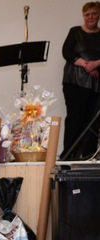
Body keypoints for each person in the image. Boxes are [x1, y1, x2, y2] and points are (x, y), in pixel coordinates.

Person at [62, 2, 100, 156]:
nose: (90, 17)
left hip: (96, 84)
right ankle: (69, 154)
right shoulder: (75, 31)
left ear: (98, 15)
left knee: (92, 120)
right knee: (74, 118)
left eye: (94, 14)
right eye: (87, 14)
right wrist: (86, 65)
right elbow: (66, 52)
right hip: (74, 82)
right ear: (83, 16)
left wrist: (96, 64)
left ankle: (89, 155)